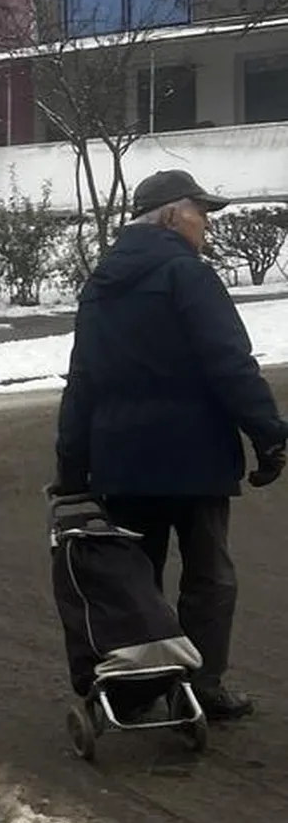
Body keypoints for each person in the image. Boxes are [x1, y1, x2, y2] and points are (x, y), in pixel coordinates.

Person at [55, 167, 287, 720]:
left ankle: (140, 689)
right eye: (200, 212)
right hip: (194, 455)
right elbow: (227, 363)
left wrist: (71, 470)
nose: (205, 224)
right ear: (167, 215)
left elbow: (82, 379)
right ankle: (203, 686)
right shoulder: (188, 275)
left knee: (136, 576)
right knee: (209, 575)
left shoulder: (101, 283)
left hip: (122, 462)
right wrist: (269, 436)